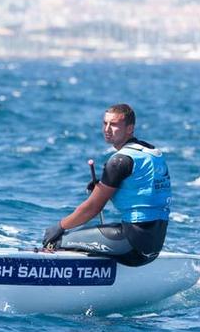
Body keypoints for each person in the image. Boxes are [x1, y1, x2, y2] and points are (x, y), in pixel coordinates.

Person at [42, 103, 171, 266]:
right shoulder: (152, 153)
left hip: (132, 246)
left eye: (114, 124)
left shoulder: (119, 161)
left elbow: (92, 208)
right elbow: (142, 191)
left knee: (59, 240)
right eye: (105, 123)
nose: (107, 129)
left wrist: (59, 226)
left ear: (130, 128)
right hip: (153, 245)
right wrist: (105, 186)